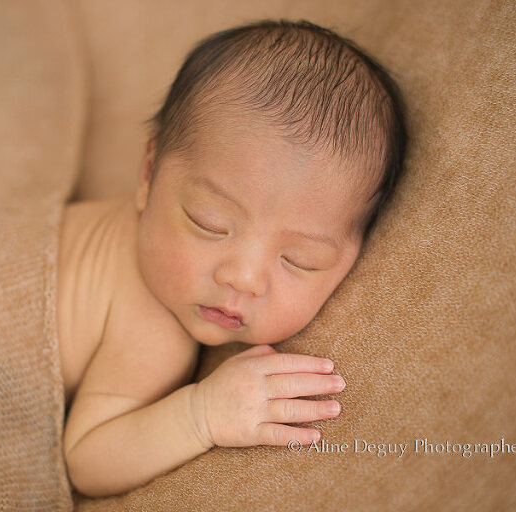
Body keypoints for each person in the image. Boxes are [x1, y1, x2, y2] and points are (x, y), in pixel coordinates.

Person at [56, 18, 407, 498]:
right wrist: (200, 414)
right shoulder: (153, 335)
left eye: (299, 260)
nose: (243, 278)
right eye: (209, 223)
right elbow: (87, 460)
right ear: (147, 173)